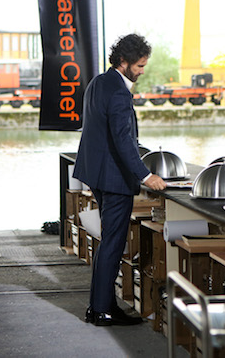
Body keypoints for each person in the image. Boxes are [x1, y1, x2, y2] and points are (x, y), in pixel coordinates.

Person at [73, 33, 167, 327]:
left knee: (108, 242)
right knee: (113, 243)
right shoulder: (119, 92)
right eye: (139, 66)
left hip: (97, 173)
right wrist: (146, 175)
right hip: (114, 178)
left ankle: (100, 306)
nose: (142, 71)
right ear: (124, 61)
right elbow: (123, 139)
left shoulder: (98, 82)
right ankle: (102, 310)